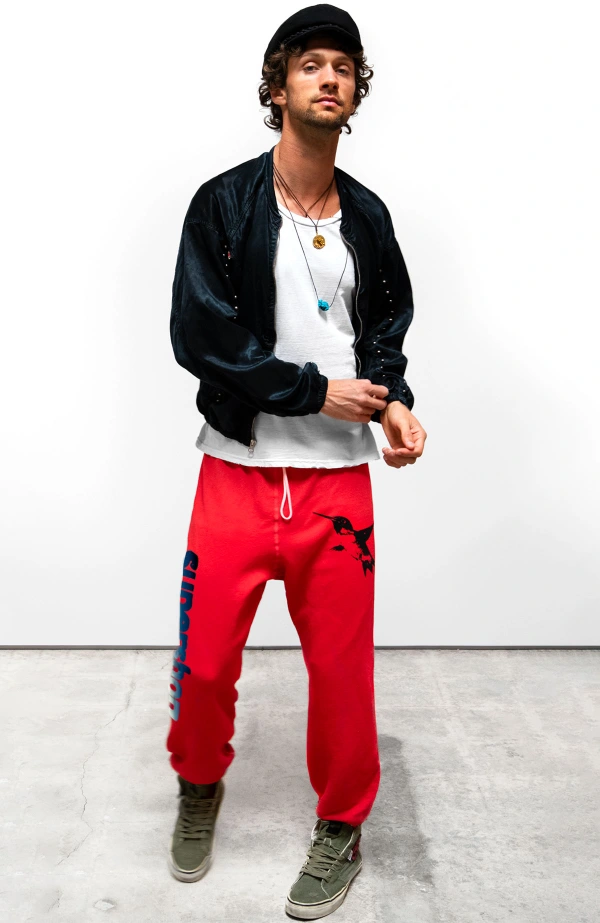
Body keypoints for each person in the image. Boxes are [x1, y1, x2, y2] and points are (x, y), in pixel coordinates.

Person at [165, 3, 427, 918]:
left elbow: (385, 326)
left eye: (343, 67)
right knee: (204, 664)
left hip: (336, 490)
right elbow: (201, 335)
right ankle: (199, 784)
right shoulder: (224, 203)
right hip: (236, 472)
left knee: (343, 675)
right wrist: (315, 392)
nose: (329, 78)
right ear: (277, 87)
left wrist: (393, 402)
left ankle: (342, 826)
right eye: (310, 64)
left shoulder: (368, 214)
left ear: (355, 92)